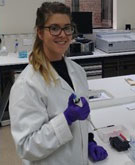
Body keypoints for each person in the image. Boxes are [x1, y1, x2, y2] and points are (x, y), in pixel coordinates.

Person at [9, 2, 108, 165]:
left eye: (67, 28)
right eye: (54, 28)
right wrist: (66, 119)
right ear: (40, 32)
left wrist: (89, 140)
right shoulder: (27, 84)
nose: (63, 34)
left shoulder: (78, 72)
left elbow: (84, 117)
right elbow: (26, 147)